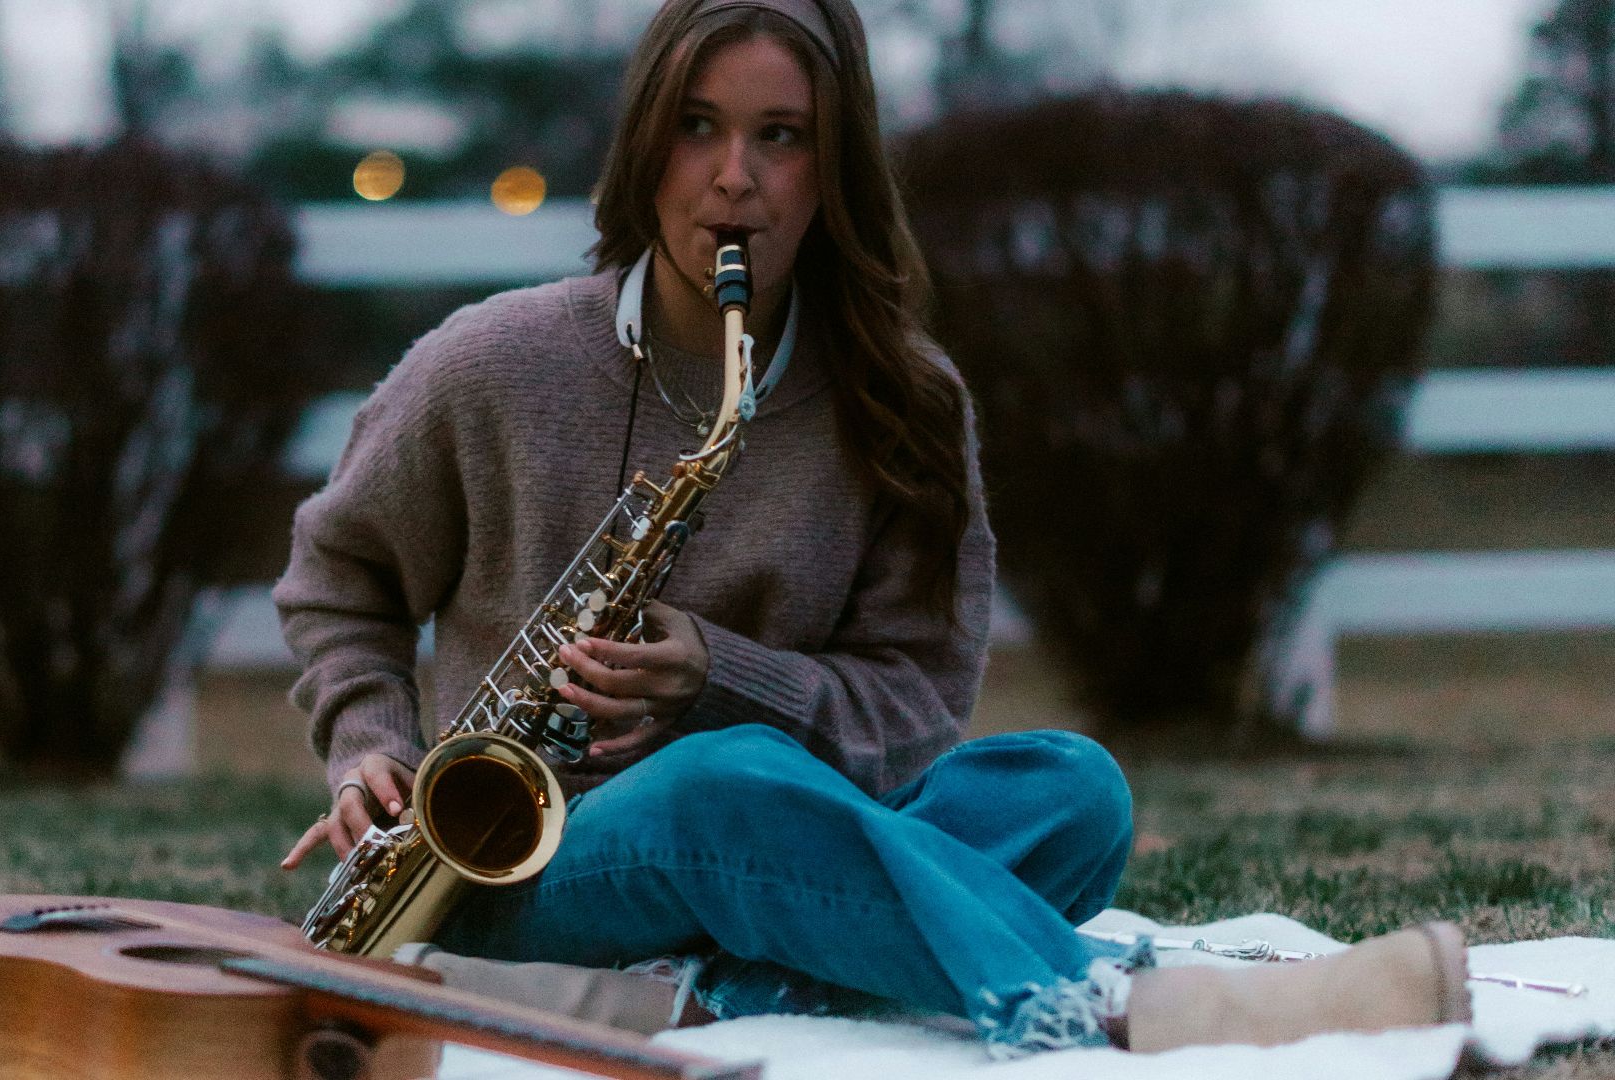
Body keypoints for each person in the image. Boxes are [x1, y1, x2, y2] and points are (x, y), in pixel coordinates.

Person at [275, 0, 1471, 1056]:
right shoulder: (491, 362)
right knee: (721, 782)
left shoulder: (904, 403)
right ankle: (1111, 1011)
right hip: (519, 868)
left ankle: (716, 989)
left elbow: (914, 713)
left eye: (779, 135)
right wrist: (368, 742)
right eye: (697, 126)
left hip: (781, 828)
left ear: (832, 165)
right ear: (646, 143)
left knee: (1070, 790)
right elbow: (341, 577)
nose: (733, 177)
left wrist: (719, 675)